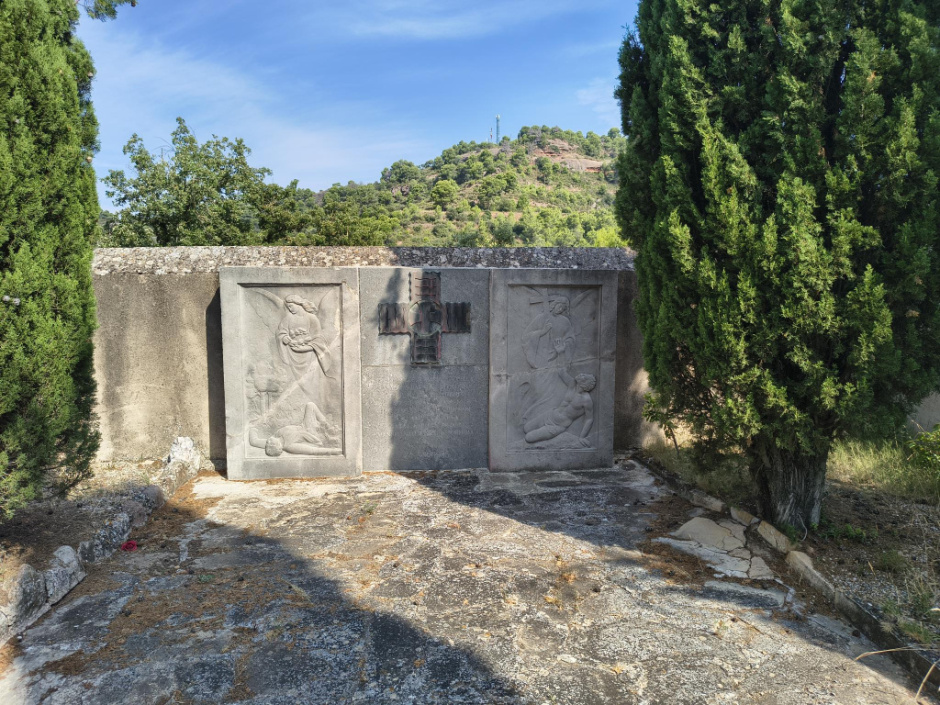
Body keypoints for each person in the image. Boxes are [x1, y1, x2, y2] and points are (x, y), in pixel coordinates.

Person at [522, 368, 595, 445]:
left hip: (557, 425)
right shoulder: (572, 384)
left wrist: (582, 437)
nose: (581, 374)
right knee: (526, 428)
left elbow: (589, 419)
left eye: (584, 376)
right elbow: (561, 372)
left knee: (528, 438)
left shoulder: (586, 400)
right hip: (550, 414)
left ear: (585, 383)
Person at [248, 402, 333, 456]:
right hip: (310, 433)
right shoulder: (290, 446)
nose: (268, 441)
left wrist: (253, 427)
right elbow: (314, 451)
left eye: (267, 442)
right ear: (277, 446)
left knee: (310, 405)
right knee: (310, 406)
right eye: (269, 443)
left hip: (304, 426)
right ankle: (329, 428)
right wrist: (337, 451)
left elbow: (254, 441)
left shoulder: (275, 437)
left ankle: (327, 425)